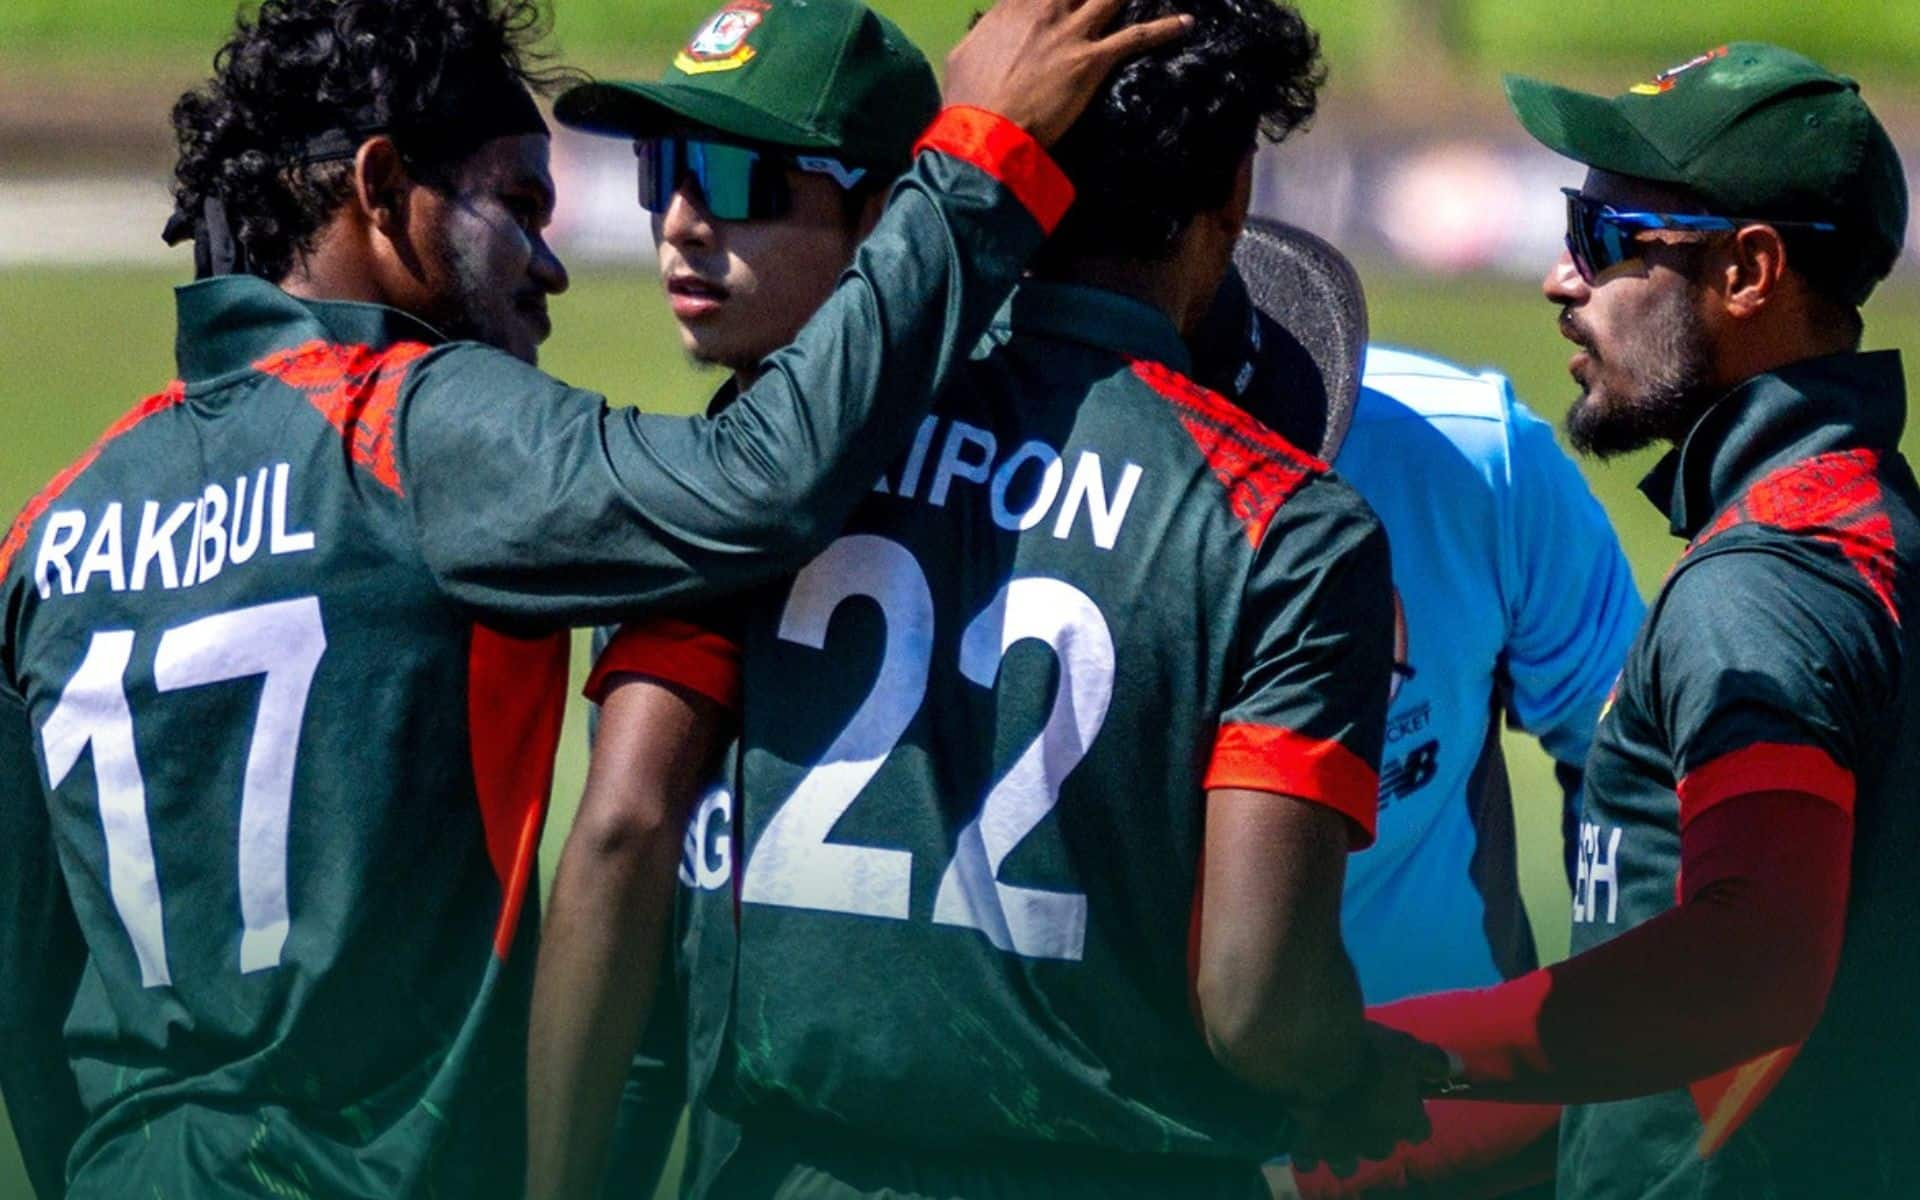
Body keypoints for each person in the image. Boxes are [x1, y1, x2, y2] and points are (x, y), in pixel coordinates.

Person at [0, 0, 1189, 1192]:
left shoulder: (49, 527)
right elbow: (754, 488)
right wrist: (979, 158)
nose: (558, 263)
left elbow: (21, 991)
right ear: (379, 187)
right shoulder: (413, 427)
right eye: (521, 208)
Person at [563, 2, 1448, 1197]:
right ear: (1233, 193)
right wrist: (1346, 1071)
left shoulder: (784, 458)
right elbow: (1256, 1003)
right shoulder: (1290, 528)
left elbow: (625, 833)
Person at [1368, 42, 1920, 1199]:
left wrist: (1387, 1052)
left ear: (1750, 273)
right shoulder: (1869, 524)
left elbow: (1747, 970)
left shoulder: (1760, 589)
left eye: (1606, 237)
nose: (1561, 281)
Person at [1188, 261, 1646, 1196]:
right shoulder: (998, 456)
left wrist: (1606, 1084)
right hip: (1120, 1136)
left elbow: (1637, 777)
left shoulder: (1471, 457)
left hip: (1437, 1128)